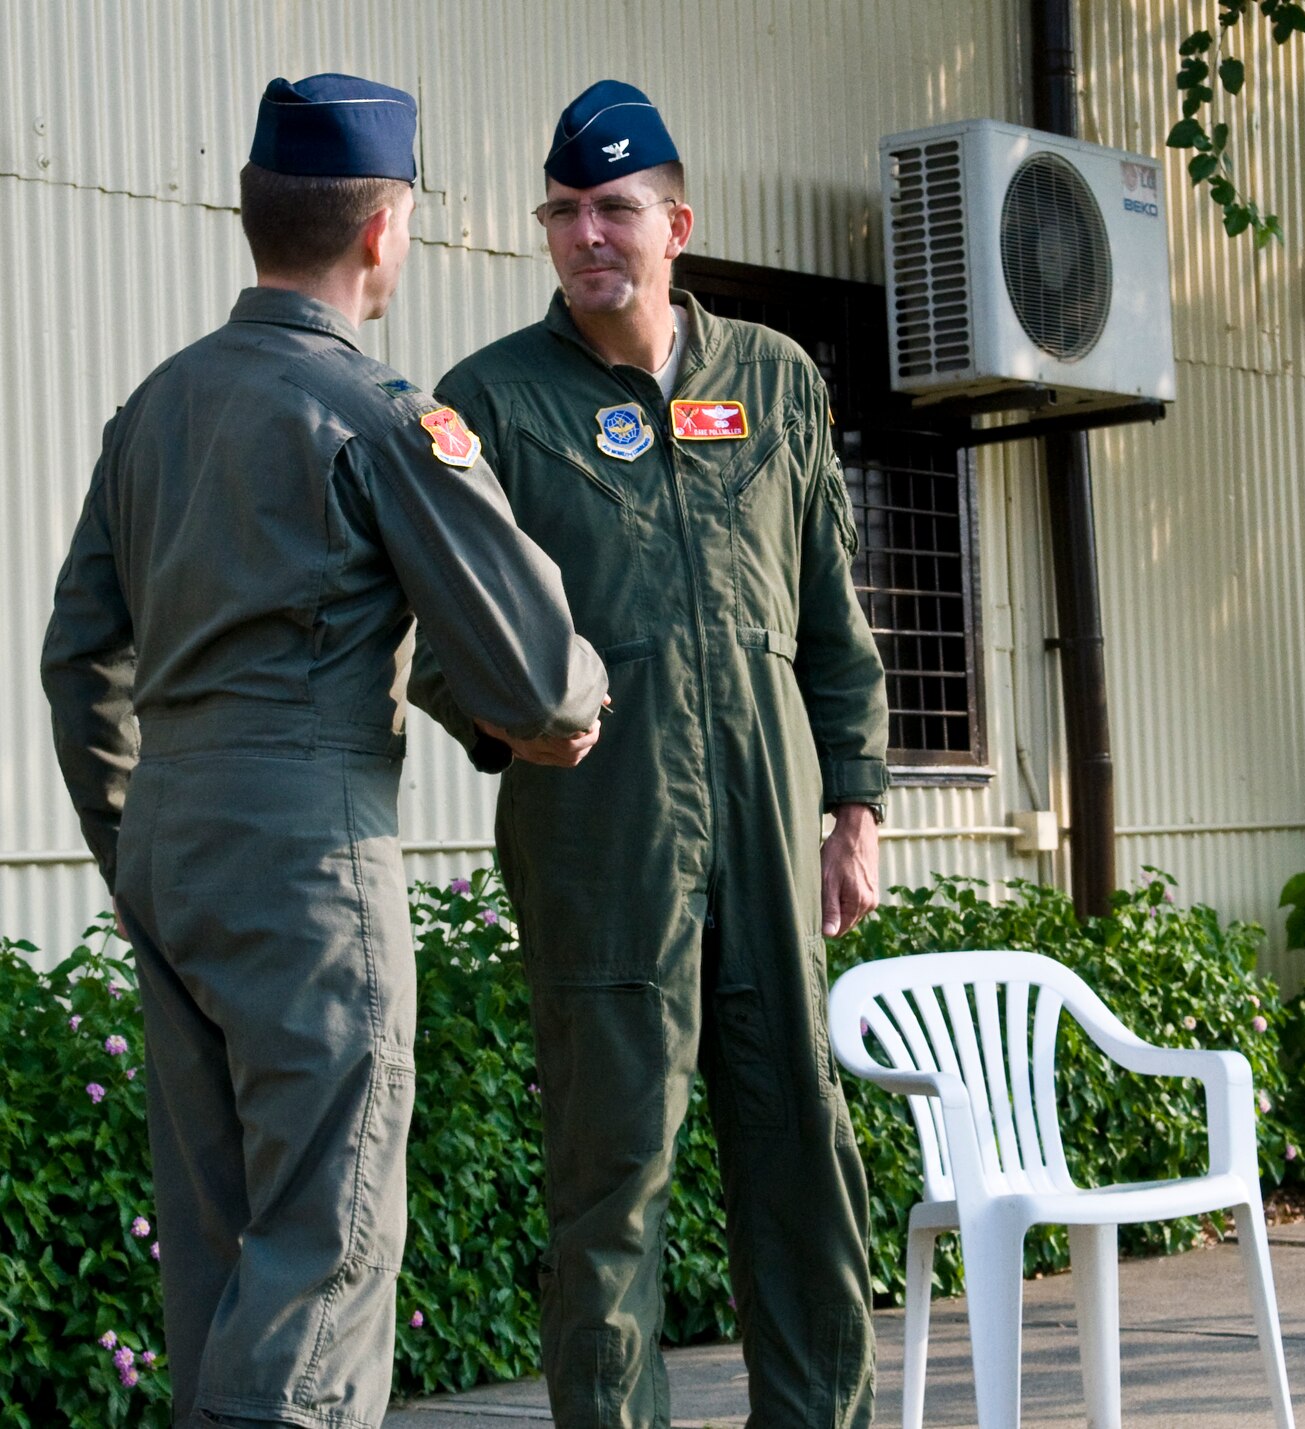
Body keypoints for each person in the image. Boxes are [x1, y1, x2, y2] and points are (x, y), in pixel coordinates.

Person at [41, 74, 608, 1429]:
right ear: (383, 227)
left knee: (224, 1250)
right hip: (311, 857)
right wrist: (566, 710)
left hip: (174, 847)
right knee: (324, 1254)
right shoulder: (378, 419)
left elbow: (78, 662)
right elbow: (542, 679)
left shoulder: (155, 411)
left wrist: (137, 839)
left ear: (256, 218)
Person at [408, 79, 888, 1428]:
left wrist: (854, 804)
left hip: (765, 821)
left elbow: (832, 621)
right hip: (600, 837)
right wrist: (505, 719)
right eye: (562, 212)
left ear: (678, 223)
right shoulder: (490, 403)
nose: (585, 235)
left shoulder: (778, 379)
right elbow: (429, 633)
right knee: (610, 1186)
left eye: (614, 209)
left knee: (802, 1153)